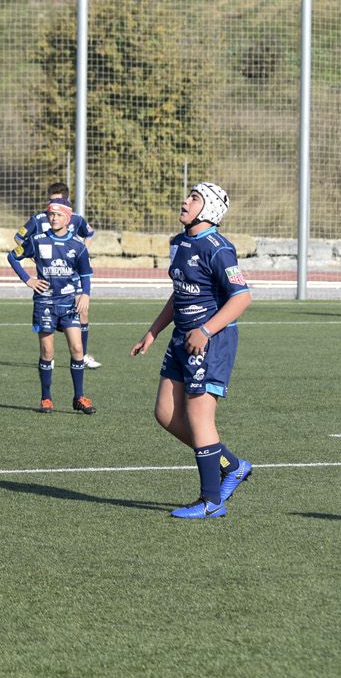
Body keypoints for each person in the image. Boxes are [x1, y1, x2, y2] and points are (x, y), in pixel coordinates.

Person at [131, 182, 254, 518]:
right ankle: (233, 465)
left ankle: (211, 501)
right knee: (166, 414)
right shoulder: (179, 243)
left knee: (199, 418)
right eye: (188, 195)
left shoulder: (218, 248)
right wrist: (153, 332)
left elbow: (242, 297)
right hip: (182, 338)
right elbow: (181, 293)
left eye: (194, 198)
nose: (185, 200)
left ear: (210, 209)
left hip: (211, 341)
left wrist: (205, 329)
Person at [9, 199, 95, 414]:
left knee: (77, 349)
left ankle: (79, 397)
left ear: (67, 218)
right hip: (45, 302)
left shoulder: (77, 245)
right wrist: (28, 280)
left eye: (58, 215)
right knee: (47, 351)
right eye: (51, 215)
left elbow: (85, 274)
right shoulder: (37, 240)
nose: (54, 218)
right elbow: (13, 256)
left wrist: (85, 294)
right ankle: (46, 398)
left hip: (68, 302)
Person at [16, 181, 100, 368]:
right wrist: (35, 257)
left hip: (73, 274)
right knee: (48, 335)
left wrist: (82, 251)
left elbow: (90, 233)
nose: (53, 212)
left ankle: (82, 355)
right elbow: (19, 238)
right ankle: (49, 359)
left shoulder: (76, 219)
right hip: (49, 279)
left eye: (59, 202)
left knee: (82, 311)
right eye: (51, 203)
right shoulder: (38, 219)